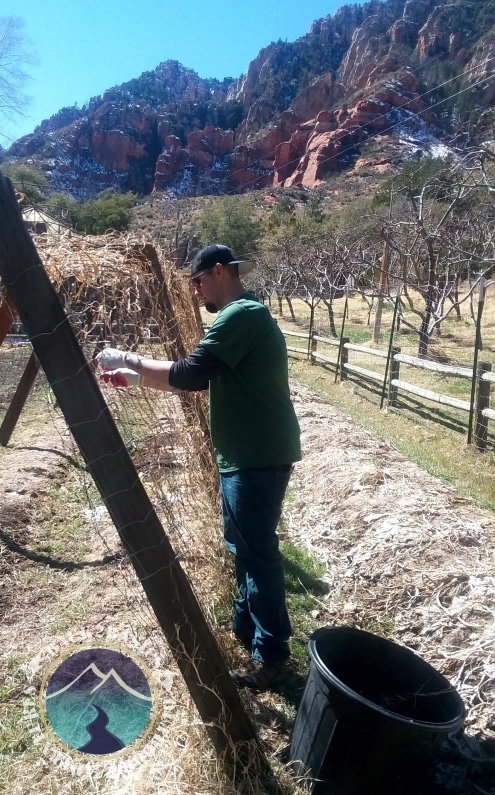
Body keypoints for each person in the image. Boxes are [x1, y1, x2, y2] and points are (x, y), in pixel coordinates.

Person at [96, 244, 301, 690]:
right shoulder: (243, 318)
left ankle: (271, 656)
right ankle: (247, 631)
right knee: (244, 546)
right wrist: (139, 378)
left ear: (220, 272)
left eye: (198, 281)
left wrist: (128, 359)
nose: (195, 291)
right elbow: (199, 378)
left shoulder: (240, 314)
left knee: (256, 551)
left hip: (256, 455)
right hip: (249, 452)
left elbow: (189, 373)